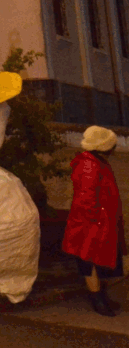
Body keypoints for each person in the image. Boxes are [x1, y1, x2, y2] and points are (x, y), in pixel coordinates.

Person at [62, 126, 126, 317]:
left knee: (97, 261)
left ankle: (100, 296)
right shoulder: (90, 165)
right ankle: (97, 298)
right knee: (89, 261)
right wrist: (96, 223)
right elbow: (86, 198)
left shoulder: (95, 162)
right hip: (91, 224)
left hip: (97, 222)